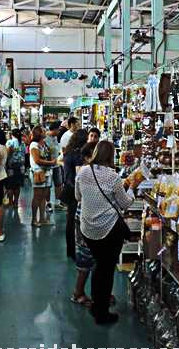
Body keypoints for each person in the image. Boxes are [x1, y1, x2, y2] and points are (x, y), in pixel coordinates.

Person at [76, 140, 139, 325]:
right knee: (106, 270)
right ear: (111, 156)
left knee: (99, 266)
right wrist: (132, 188)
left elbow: (78, 196)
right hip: (108, 229)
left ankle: (97, 306)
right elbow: (125, 203)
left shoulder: (83, 171)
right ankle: (102, 313)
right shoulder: (113, 177)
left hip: (88, 228)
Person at [62, 129, 89, 260]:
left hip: (68, 187)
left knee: (70, 220)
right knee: (75, 221)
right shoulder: (78, 154)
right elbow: (79, 175)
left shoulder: (68, 152)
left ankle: (70, 250)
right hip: (74, 189)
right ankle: (76, 251)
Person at [29, 126, 55, 226]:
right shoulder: (34, 145)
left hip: (46, 172)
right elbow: (37, 160)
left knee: (43, 196)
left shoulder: (44, 144)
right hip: (38, 172)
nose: (46, 132)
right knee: (37, 196)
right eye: (43, 131)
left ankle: (42, 219)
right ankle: (34, 219)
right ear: (38, 133)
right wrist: (51, 162)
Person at [5, 128, 26, 206]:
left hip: (11, 167)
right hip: (21, 167)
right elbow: (24, 153)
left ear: (12, 134)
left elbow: (7, 154)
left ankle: (10, 202)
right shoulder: (22, 143)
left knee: (10, 186)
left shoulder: (10, 142)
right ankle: (16, 202)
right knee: (17, 185)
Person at [44, 121, 62, 212]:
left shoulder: (55, 137)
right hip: (48, 166)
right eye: (58, 129)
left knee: (58, 184)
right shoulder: (45, 138)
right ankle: (47, 203)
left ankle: (58, 203)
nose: (59, 131)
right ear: (54, 129)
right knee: (48, 185)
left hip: (56, 165)